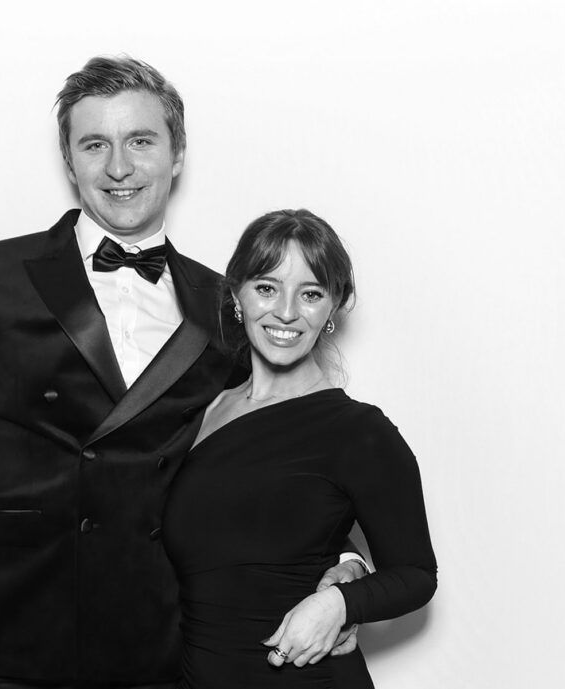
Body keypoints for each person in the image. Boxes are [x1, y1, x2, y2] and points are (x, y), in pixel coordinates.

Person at [0, 58, 367, 689]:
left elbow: (286, 455)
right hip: (1, 641)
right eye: (95, 145)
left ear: (177, 153)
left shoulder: (225, 304)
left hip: (162, 646)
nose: (119, 167)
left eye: (141, 141)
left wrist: (347, 570)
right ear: (69, 160)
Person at [163, 209, 438, 688]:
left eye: (310, 294)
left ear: (332, 308)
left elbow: (416, 574)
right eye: (267, 288)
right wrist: (350, 561)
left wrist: (340, 603)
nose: (286, 312)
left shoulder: (359, 432)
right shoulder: (203, 406)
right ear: (236, 296)